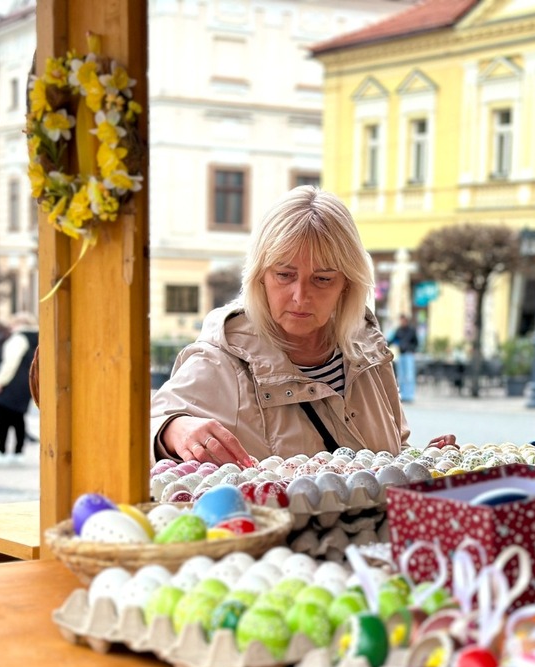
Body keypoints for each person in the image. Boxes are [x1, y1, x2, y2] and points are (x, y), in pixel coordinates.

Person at [151, 185, 455, 465]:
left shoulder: (369, 351)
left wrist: (423, 461)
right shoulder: (222, 359)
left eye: (322, 279)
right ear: (260, 276)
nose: (300, 296)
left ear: (347, 284)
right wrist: (173, 429)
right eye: (284, 275)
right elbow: (145, 428)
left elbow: (393, 450)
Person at [0, 312, 39, 466]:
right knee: (18, 418)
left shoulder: (18, 338)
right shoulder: (35, 338)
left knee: (2, 417)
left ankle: (1, 451)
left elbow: (10, 363)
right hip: (24, 384)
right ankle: (18, 452)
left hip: (11, 385)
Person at [389, 314, 419, 403]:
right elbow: (393, 340)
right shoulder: (399, 330)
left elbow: (416, 342)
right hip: (401, 354)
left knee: (409, 376)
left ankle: (409, 395)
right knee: (401, 376)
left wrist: (411, 349)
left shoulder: (411, 330)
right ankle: (402, 395)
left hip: (409, 354)